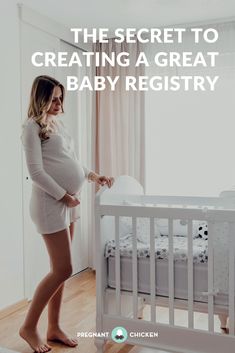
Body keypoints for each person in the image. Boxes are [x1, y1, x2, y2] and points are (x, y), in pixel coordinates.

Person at [20, 75, 114, 353]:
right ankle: (28, 327)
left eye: (61, 98)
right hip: (51, 205)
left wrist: (94, 176)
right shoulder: (31, 128)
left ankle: (54, 327)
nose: (59, 103)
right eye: (53, 99)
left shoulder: (57, 124)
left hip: (67, 204)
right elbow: (36, 172)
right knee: (63, 269)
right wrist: (64, 196)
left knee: (59, 271)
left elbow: (71, 161)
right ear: (40, 99)